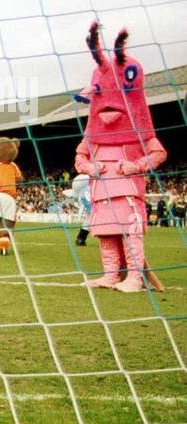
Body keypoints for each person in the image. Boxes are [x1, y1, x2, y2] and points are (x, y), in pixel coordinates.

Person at [73, 23, 167, 291]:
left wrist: (135, 165)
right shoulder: (92, 137)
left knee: (130, 234)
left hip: (127, 193)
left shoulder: (140, 133)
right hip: (101, 193)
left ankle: (135, 278)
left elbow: (159, 153)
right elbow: (79, 158)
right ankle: (111, 274)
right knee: (105, 234)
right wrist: (91, 167)